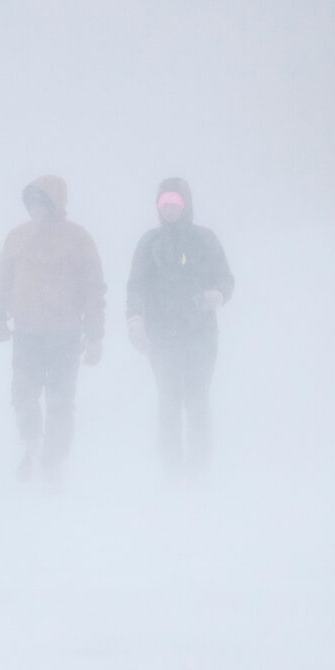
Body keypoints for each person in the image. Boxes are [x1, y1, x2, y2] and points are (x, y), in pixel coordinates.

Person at [0, 176, 106, 481]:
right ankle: (32, 444)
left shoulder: (77, 238)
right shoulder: (17, 238)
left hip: (65, 335)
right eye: (32, 203)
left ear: (55, 204)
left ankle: (53, 462)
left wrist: (95, 335)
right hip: (26, 334)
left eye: (42, 202)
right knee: (23, 398)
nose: (35, 209)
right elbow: (2, 280)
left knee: (59, 401)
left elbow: (94, 288)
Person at [126, 177, 234, 476]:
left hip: (200, 334)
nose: (169, 209)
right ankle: (172, 468)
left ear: (185, 204)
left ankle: (199, 467)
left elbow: (226, 278)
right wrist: (135, 320)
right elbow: (136, 285)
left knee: (198, 398)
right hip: (162, 336)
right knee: (168, 399)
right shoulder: (150, 243)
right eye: (164, 204)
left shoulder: (205, 240)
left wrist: (216, 295)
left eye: (174, 203)